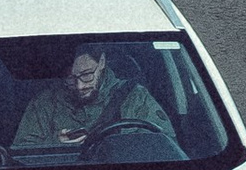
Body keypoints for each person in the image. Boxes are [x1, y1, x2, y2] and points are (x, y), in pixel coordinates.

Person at [14, 41, 171, 158]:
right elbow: (21, 155)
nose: (80, 86)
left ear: (102, 62)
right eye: (70, 79)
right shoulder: (45, 103)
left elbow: (166, 148)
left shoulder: (136, 98)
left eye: (87, 75)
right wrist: (54, 143)